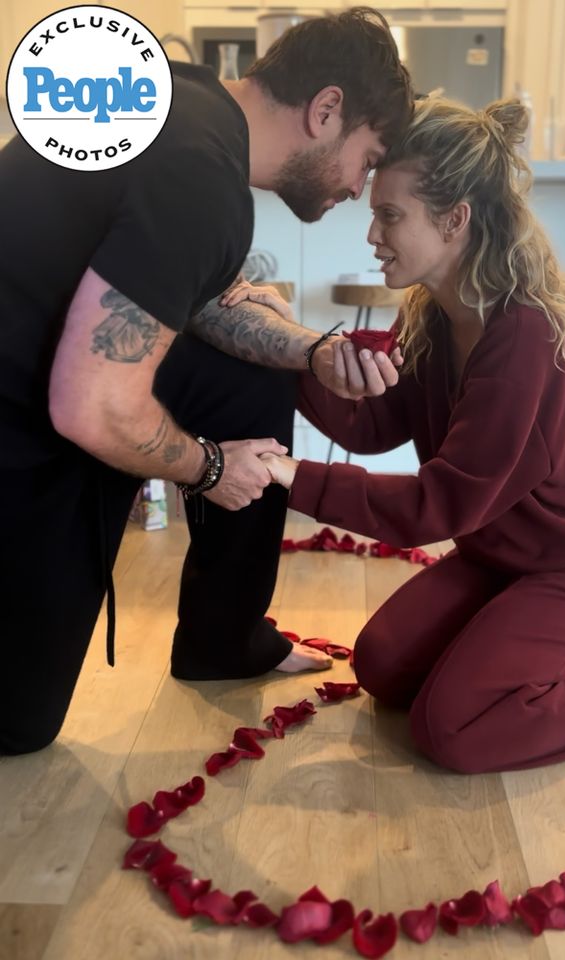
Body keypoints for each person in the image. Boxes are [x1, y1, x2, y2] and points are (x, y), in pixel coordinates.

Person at [0, 8, 413, 755]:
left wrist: (314, 349)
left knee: (246, 378)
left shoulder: (186, 106)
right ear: (327, 111)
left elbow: (192, 302)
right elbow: (91, 403)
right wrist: (211, 468)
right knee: (17, 724)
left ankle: (224, 638)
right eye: (368, 157)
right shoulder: (201, 177)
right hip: (26, 426)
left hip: (35, 378)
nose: (359, 187)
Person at [254, 94, 565, 774]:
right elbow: (375, 423)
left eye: (389, 215)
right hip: (500, 559)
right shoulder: (433, 316)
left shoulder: (522, 338)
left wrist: (294, 477)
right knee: (383, 667)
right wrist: (288, 350)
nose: (372, 234)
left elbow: (440, 506)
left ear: (454, 219)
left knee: (454, 729)